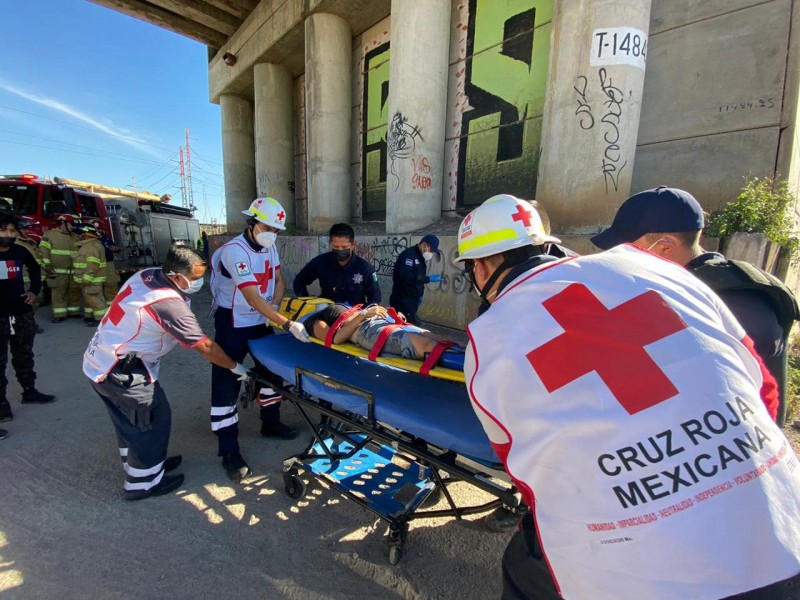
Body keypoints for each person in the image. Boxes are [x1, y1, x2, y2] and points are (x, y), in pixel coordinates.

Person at [456, 194, 799, 599]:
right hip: (781, 529)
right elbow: (763, 388)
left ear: (480, 266)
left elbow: (525, 470)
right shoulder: (654, 267)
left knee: (523, 566)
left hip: (644, 574)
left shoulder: (490, 338)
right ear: (547, 242)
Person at [590, 186, 799, 423]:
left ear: (664, 247)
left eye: (626, 249)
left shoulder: (723, 300)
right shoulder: (699, 282)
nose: (618, 258)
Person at [83, 245, 250, 501]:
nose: (199, 283)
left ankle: (145, 463)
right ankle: (143, 483)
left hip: (103, 358)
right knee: (150, 421)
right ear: (174, 275)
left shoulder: (148, 275)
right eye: (194, 278)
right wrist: (236, 367)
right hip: (122, 372)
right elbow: (205, 346)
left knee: (130, 421)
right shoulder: (167, 304)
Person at [210, 196, 309, 482]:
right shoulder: (234, 252)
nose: (272, 234)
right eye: (268, 227)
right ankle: (228, 451)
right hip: (233, 323)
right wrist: (287, 323)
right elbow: (251, 297)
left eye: (276, 230)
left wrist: (274, 310)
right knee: (226, 381)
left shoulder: (270, 246)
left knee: (271, 373)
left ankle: (271, 423)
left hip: (261, 319)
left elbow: (279, 281)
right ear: (252, 222)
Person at [0, 213, 56, 424]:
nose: (8, 235)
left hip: (20, 313)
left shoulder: (20, 251)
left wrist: (33, 290)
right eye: (3, 230)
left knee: (24, 355)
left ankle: (29, 392)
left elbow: (34, 269)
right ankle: (2, 405)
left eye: (12, 231)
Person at [304, 303, 448, 358]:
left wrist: (391, 317)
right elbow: (335, 339)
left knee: (434, 336)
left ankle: (464, 354)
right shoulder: (312, 321)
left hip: (381, 322)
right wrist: (363, 315)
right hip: (365, 331)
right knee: (424, 343)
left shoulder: (337, 306)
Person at [294, 223, 381, 306]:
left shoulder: (365, 268)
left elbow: (375, 298)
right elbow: (299, 281)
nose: (340, 250)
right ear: (330, 244)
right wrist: (306, 302)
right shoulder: (320, 262)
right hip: (326, 313)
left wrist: (364, 314)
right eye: (336, 247)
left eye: (344, 247)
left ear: (353, 245)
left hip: (354, 316)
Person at [389, 234, 442, 325]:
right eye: (431, 250)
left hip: (412, 301)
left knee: (411, 328)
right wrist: (427, 279)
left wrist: (419, 295)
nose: (431, 254)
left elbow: (417, 278)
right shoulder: (409, 256)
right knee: (410, 330)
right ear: (424, 245)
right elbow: (406, 277)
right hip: (403, 301)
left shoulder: (420, 257)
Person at [40, 214, 81, 322]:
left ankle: (73, 312)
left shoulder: (75, 236)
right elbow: (43, 251)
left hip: (74, 271)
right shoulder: (50, 235)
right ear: (63, 223)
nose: (72, 227)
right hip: (58, 271)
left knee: (74, 291)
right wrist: (47, 265)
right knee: (59, 292)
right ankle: (59, 315)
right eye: (71, 224)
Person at [72, 222, 108, 326]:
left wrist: (87, 278)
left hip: (91, 279)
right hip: (92, 279)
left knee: (95, 299)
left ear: (85, 234)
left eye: (79, 234)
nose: (78, 236)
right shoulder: (91, 245)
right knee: (90, 299)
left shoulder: (90, 246)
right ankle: (90, 316)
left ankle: (101, 319)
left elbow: (93, 264)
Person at [15, 217, 45, 333]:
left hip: (32, 279)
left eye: (27, 228)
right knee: (27, 304)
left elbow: (35, 261)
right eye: (24, 229)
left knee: (34, 302)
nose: (27, 231)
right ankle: (26, 325)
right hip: (23, 280)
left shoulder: (29, 242)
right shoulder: (16, 244)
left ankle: (29, 323)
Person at [94, 221, 121, 307]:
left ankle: (112, 307)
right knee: (96, 288)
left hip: (108, 264)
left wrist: (116, 248)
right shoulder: (90, 240)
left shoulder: (106, 238)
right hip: (95, 265)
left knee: (111, 284)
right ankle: (98, 309)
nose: (97, 230)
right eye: (95, 228)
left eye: (99, 228)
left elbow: (115, 247)